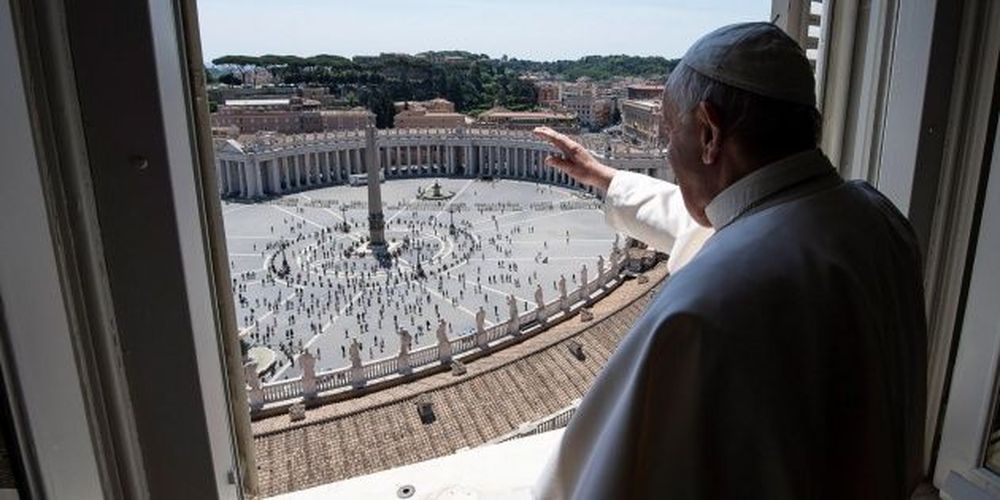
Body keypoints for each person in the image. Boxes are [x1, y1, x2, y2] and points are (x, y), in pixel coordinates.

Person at [532, 22, 926, 500]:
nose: (666, 153)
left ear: (710, 132)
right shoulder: (876, 217)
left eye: (669, 134)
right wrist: (608, 177)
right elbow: (728, 225)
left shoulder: (701, 309)